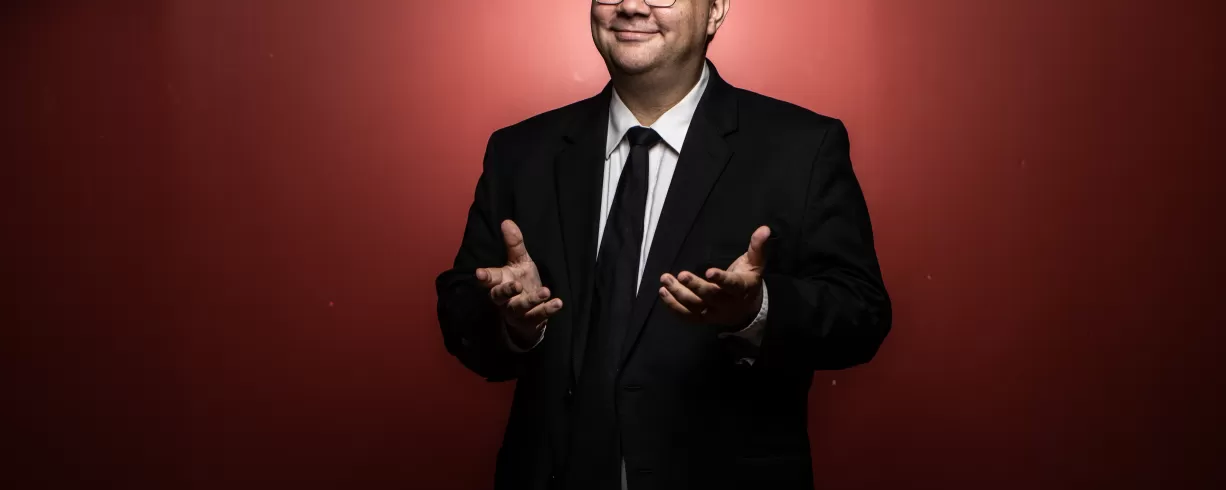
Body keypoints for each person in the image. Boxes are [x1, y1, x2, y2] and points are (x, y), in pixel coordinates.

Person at [435, 1, 891, 488]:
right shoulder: (520, 151)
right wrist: (513, 323)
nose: (631, 6)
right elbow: (462, 314)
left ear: (715, 10)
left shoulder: (803, 147)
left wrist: (756, 310)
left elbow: (862, 316)